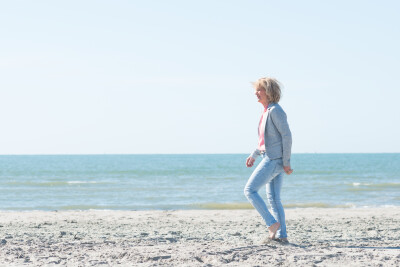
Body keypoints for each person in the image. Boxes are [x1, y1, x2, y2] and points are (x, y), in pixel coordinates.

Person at [244, 77, 293, 243]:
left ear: (269, 92)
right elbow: (266, 141)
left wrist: (286, 162)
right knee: (274, 199)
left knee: (249, 190)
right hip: (269, 157)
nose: (256, 93)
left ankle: (271, 224)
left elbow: (287, 137)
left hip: (274, 160)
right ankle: (282, 235)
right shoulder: (266, 111)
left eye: (259, 90)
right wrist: (254, 155)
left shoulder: (276, 111)